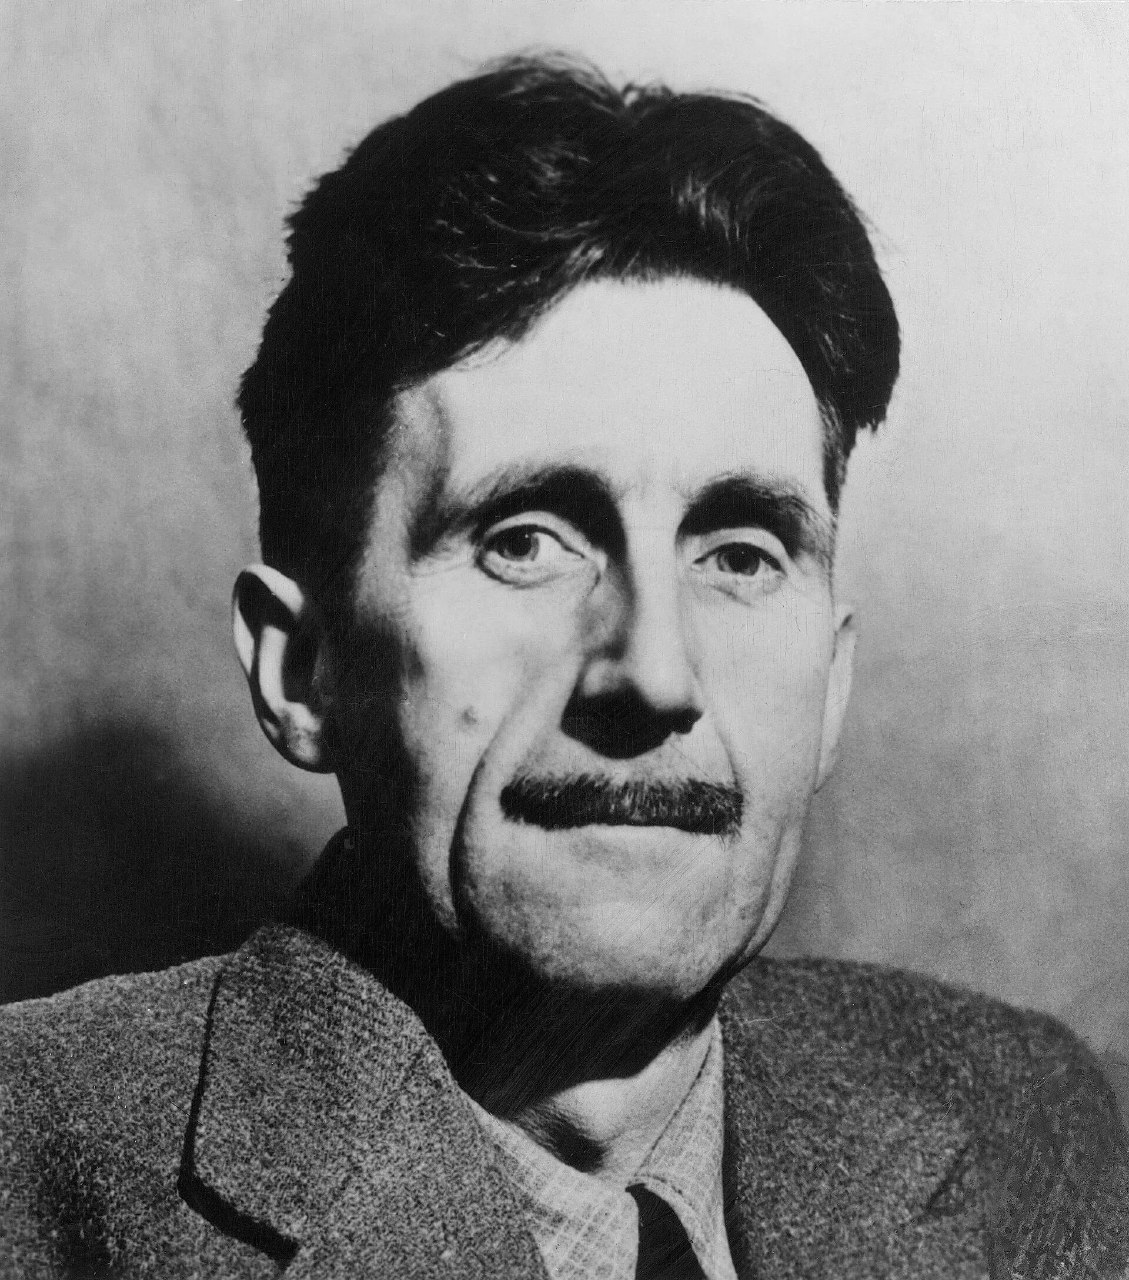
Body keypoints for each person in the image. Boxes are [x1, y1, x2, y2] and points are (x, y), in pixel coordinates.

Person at [2, 53, 1126, 1280]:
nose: (654, 673)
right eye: (524, 541)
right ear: (301, 668)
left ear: (832, 687)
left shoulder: (1034, 1126)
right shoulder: (35, 1165)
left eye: (740, 554)